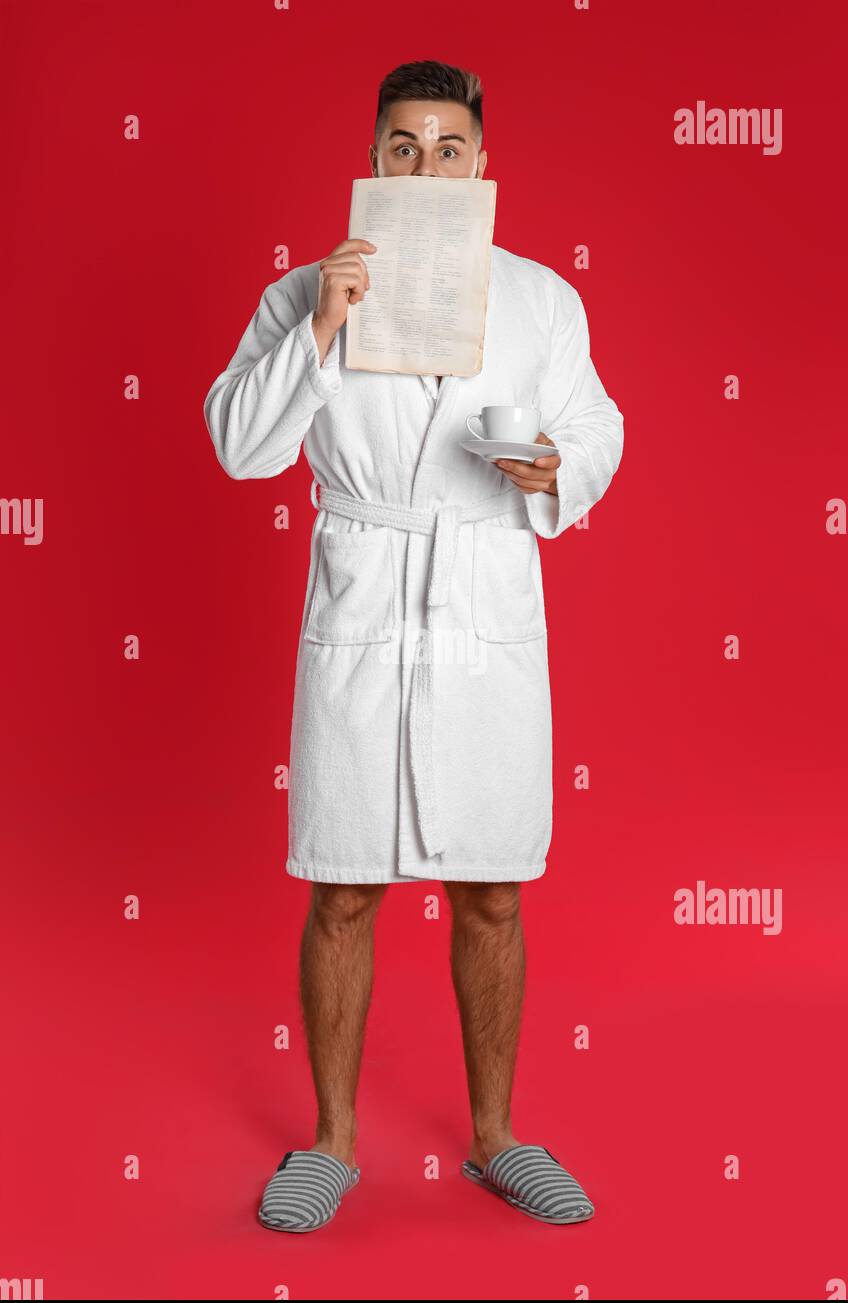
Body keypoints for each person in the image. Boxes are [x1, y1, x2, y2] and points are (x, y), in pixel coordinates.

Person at [203, 59, 624, 1232]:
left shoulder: (539, 299)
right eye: (402, 146)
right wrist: (322, 331)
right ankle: (331, 1142)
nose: (425, 165)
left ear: (480, 164)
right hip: (365, 593)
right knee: (342, 886)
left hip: (484, 594)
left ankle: (495, 1136)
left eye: (447, 147)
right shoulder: (304, 291)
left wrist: (556, 467)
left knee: (492, 886)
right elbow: (237, 444)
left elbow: (594, 422)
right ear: (373, 159)